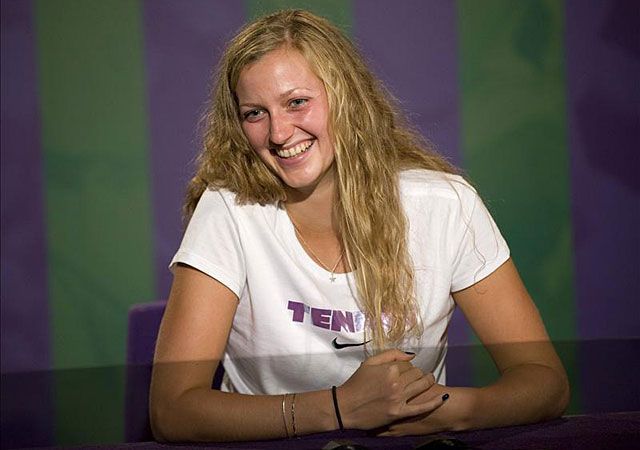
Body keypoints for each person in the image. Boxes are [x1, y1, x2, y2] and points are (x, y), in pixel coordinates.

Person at [149, 9, 569, 442]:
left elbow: (545, 383)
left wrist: (445, 412)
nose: (278, 133)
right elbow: (172, 410)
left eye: (297, 102)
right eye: (255, 113)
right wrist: (339, 408)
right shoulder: (228, 210)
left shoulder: (444, 205)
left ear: (345, 95)